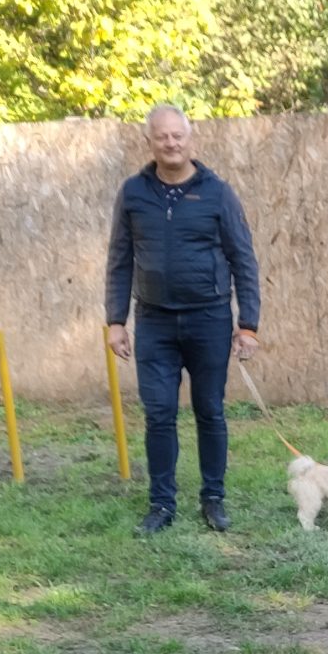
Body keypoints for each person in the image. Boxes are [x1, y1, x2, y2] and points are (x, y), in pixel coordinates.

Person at [104, 105, 261, 535]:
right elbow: (119, 259)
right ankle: (161, 504)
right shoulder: (133, 193)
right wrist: (115, 321)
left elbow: (243, 260)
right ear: (150, 142)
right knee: (158, 414)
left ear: (190, 139)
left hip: (209, 319)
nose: (171, 143)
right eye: (162, 136)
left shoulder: (217, 193)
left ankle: (213, 499)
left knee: (209, 410)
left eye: (178, 135)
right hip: (153, 322)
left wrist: (248, 325)